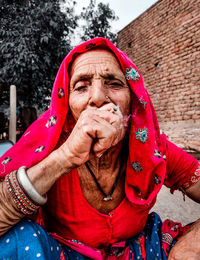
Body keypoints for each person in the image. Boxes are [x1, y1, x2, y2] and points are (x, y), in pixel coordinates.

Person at [0, 37, 199, 260]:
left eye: (114, 84)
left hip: (140, 252)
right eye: (81, 86)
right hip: (63, 254)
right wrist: (66, 157)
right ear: (66, 103)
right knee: (17, 240)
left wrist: (192, 243)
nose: (97, 98)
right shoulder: (47, 146)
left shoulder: (152, 149)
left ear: (132, 101)